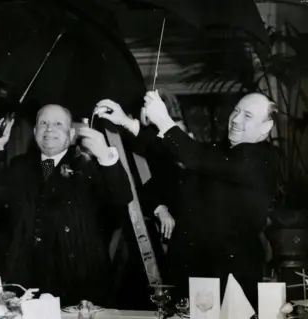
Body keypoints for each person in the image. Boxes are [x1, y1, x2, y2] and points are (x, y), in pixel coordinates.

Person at [96, 92, 278, 308]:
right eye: (236, 111)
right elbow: (168, 152)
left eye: (247, 116)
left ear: (266, 127)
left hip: (230, 279)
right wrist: (126, 122)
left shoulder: (262, 159)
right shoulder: (221, 152)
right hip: (191, 271)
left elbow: (196, 157)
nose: (236, 119)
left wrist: (163, 119)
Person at [0, 104, 133, 307]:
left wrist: (105, 156)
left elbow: (122, 198)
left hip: (79, 284)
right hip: (27, 284)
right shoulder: (20, 166)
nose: (49, 129)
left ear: (71, 133)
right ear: (34, 132)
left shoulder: (90, 166)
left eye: (58, 124)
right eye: (43, 123)